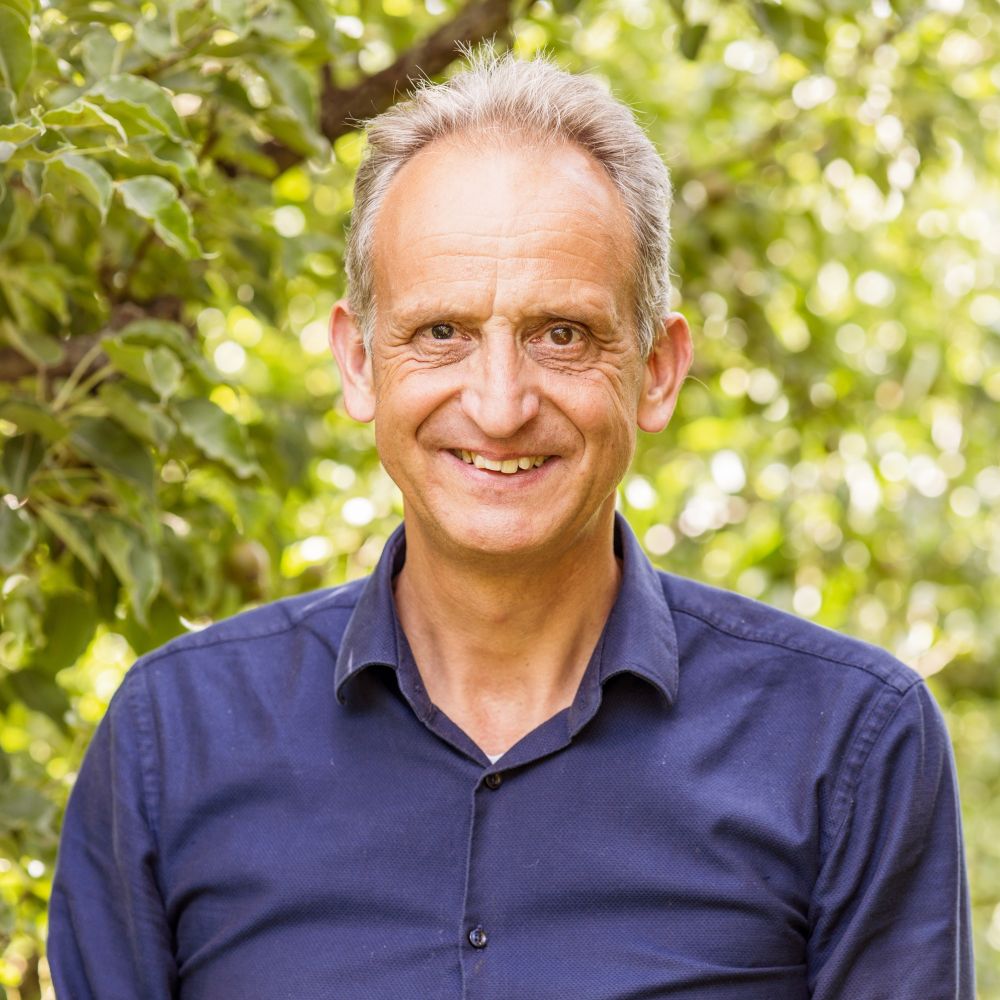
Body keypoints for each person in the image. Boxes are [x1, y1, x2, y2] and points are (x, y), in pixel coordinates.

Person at [49, 53, 973, 998]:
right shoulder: (173, 741)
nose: (499, 406)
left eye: (561, 335)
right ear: (359, 363)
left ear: (657, 370)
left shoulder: (848, 745)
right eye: (441, 333)